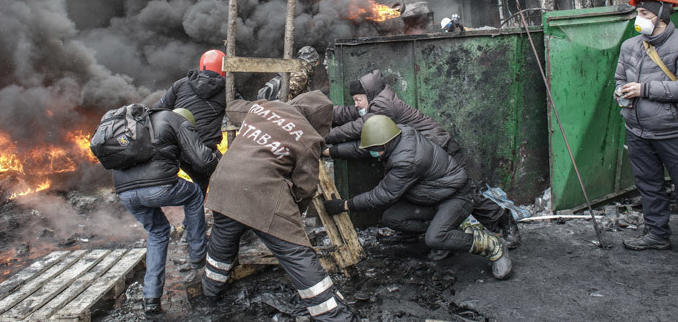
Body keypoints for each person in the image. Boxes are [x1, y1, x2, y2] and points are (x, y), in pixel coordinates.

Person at [201, 91, 358, 321]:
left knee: (222, 240)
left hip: (222, 185)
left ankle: (210, 291)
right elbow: (306, 187)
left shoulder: (262, 107)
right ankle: (335, 316)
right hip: (262, 194)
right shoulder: (308, 138)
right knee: (296, 254)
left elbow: (234, 108)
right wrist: (295, 211)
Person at [323, 69, 520, 248]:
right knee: (412, 193)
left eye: (358, 99)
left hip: (440, 149)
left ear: (369, 95)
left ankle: (504, 222)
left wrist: (323, 139)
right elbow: (349, 114)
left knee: (468, 194)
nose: (356, 105)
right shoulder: (376, 100)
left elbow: (358, 127)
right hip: (422, 153)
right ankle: (418, 233)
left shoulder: (382, 107)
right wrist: (320, 114)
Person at [323, 115, 512, 279]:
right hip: (432, 196)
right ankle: (446, 234)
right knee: (392, 218)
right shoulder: (397, 133)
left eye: (375, 149)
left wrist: (345, 205)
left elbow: (383, 195)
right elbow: (362, 148)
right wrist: (329, 151)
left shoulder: (406, 160)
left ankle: (493, 246)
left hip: (456, 196)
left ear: (386, 143)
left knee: (434, 238)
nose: (372, 153)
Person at [114, 108, 219, 316]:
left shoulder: (141, 124)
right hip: (157, 187)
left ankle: (151, 298)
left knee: (158, 232)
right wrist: (219, 162)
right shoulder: (178, 121)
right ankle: (198, 254)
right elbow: (202, 160)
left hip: (124, 192)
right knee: (194, 195)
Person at [614, 0, 678, 251]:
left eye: (645, 15)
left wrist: (644, 89)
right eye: (638, 14)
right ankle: (657, 235)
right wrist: (621, 93)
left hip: (671, 131)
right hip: (638, 131)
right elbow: (619, 78)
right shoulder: (630, 46)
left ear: (662, 14)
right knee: (649, 185)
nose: (639, 20)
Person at [154, 49, 228, 195]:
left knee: (200, 183)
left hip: (177, 149)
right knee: (226, 178)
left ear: (203, 66)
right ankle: (212, 211)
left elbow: (158, 110)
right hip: (204, 152)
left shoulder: (181, 84)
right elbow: (241, 112)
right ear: (225, 69)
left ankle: (195, 204)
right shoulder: (227, 90)